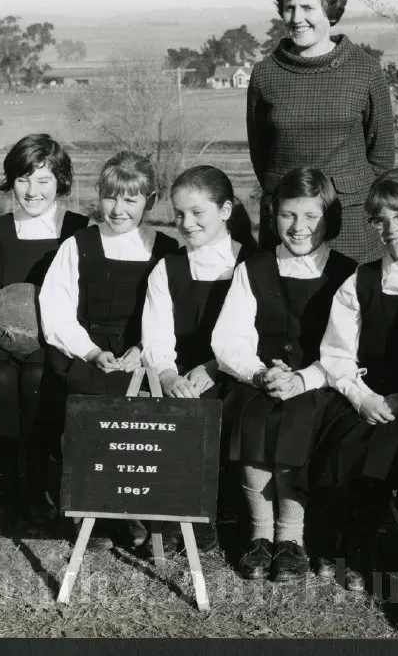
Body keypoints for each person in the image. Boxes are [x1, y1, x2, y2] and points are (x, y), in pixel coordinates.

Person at [304, 168, 398, 593]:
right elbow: (336, 352)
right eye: (380, 220)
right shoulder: (361, 280)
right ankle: (337, 544)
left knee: (386, 451)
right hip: (363, 395)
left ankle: (364, 546)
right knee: (342, 445)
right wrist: (362, 397)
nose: (391, 229)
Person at [211, 167, 357, 583]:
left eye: (311, 216)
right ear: (274, 216)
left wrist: (304, 378)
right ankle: (260, 535)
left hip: (320, 381)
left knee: (298, 418)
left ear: (329, 217)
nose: (299, 227)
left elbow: (347, 348)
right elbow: (229, 339)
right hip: (260, 379)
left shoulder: (347, 273)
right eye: (289, 215)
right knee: (254, 414)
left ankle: (291, 538)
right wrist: (260, 375)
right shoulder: (254, 268)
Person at [38, 150, 178, 549]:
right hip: (83, 349)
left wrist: (143, 348)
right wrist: (89, 351)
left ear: (149, 202)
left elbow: (167, 315)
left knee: (142, 410)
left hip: (140, 349)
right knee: (88, 399)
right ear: (98, 196)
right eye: (111, 197)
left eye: (131, 200)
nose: (119, 209)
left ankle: (132, 507)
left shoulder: (165, 250)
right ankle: (91, 509)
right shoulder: (77, 245)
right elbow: (57, 311)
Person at [0, 133, 89, 529]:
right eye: (23, 179)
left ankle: (37, 486)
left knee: (37, 375)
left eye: (44, 180)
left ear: (61, 182)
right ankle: (6, 489)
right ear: (10, 180)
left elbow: (86, 302)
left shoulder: (81, 230)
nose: (32, 191)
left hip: (53, 344)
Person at [140, 165, 257, 554]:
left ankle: (217, 512)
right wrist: (169, 375)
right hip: (179, 372)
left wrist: (211, 368)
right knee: (176, 407)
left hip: (236, 369)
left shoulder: (252, 264)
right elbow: (156, 335)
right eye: (179, 214)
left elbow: (258, 333)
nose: (186, 223)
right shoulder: (168, 268)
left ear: (225, 211)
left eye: (197, 213)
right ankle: (183, 514)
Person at [247, 0, 395, 263]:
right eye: (289, 7)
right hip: (286, 221)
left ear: (330, 9)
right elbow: (261, 154)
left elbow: (381, 157)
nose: (297, 18)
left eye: (307, 8)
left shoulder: (364, 70)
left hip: (351, 222)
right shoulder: (265, 74)